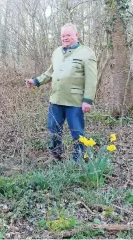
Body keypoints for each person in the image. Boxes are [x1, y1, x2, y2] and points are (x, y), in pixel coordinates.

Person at [25, 23, 97, 162]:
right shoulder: (57, 52)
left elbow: (91, 79)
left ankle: (79, 159)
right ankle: (55, 155)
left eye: (68, 35)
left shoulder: (87, 53)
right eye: (63, 36)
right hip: (56, 99)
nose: (65, 38)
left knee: (77, 132)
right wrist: (35, 81)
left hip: (75, 101)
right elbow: (50, 72)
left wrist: (87, 100)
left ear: (76, 35)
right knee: (53, 129)